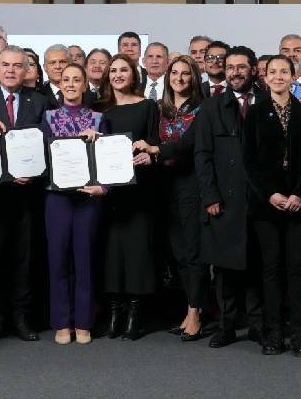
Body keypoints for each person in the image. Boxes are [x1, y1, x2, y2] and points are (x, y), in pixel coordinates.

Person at [243, 55, 301, 356]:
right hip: (267, 205)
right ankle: (274, 332)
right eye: (272, 72)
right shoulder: (254, 112)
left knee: (299, 269)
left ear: (294, 76)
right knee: (271, 269)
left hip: (300, 203)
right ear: (265, 77)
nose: (278, 76)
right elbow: (248, 160)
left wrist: (300, 193)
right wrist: (270, 194)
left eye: (284, 72)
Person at [0, 45, 53, 342]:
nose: (10, 70)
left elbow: (49, 147)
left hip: (27, 197)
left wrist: (33, 173)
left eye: (17, 65)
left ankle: (20, 318)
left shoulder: (41, 102)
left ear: (27, 70)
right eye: (4, 64)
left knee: (24, 259)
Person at [194, 46, 265, 349]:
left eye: (241, 67)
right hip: (225, 198)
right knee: (225, 268)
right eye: (231, 67)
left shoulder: (268, 102)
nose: (235, 72)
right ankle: (226, 325)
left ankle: (260, 324)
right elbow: (203, 155)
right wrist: (210, 195)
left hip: (262, 198)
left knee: (259, 264)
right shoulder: (211, 107)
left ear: (252, 70)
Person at [135, 55, 207, 340]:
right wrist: (146, 152)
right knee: (178, 255)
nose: (178, 78)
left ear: (194, 78)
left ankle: (195, 312)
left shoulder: (203, 108)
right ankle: (188, 309)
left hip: (191, 187)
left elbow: (189, 145)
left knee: (193, 254)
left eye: (185, 74)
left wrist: (154, 150)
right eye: (174, 73)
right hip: (164, 187)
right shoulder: (159, 108)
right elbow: (152, 139)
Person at [94, 55, 159, 340]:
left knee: (136, 253)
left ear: (134, 75)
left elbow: (155, 143)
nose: (118, 75)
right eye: (113, 71)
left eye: (124, 70)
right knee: (109, 253)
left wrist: (149, 155)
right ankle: (113, 313)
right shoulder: (97, 110)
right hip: (106, 195)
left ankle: (134, 314)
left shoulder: (148, 106)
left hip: (139, 191)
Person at [41, 63, 107, 344]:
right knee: (57, 260)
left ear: (84, 85)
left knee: (85, 260)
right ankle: (61, 322)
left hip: (87, 199)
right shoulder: (47, 117)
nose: (70, 84)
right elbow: (39, 159)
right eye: (65, 79)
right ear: (59, 84)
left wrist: (103, 187)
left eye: (76, 80)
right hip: (57, 198)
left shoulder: (98, 119)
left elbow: (107, 163)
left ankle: (83, 321)